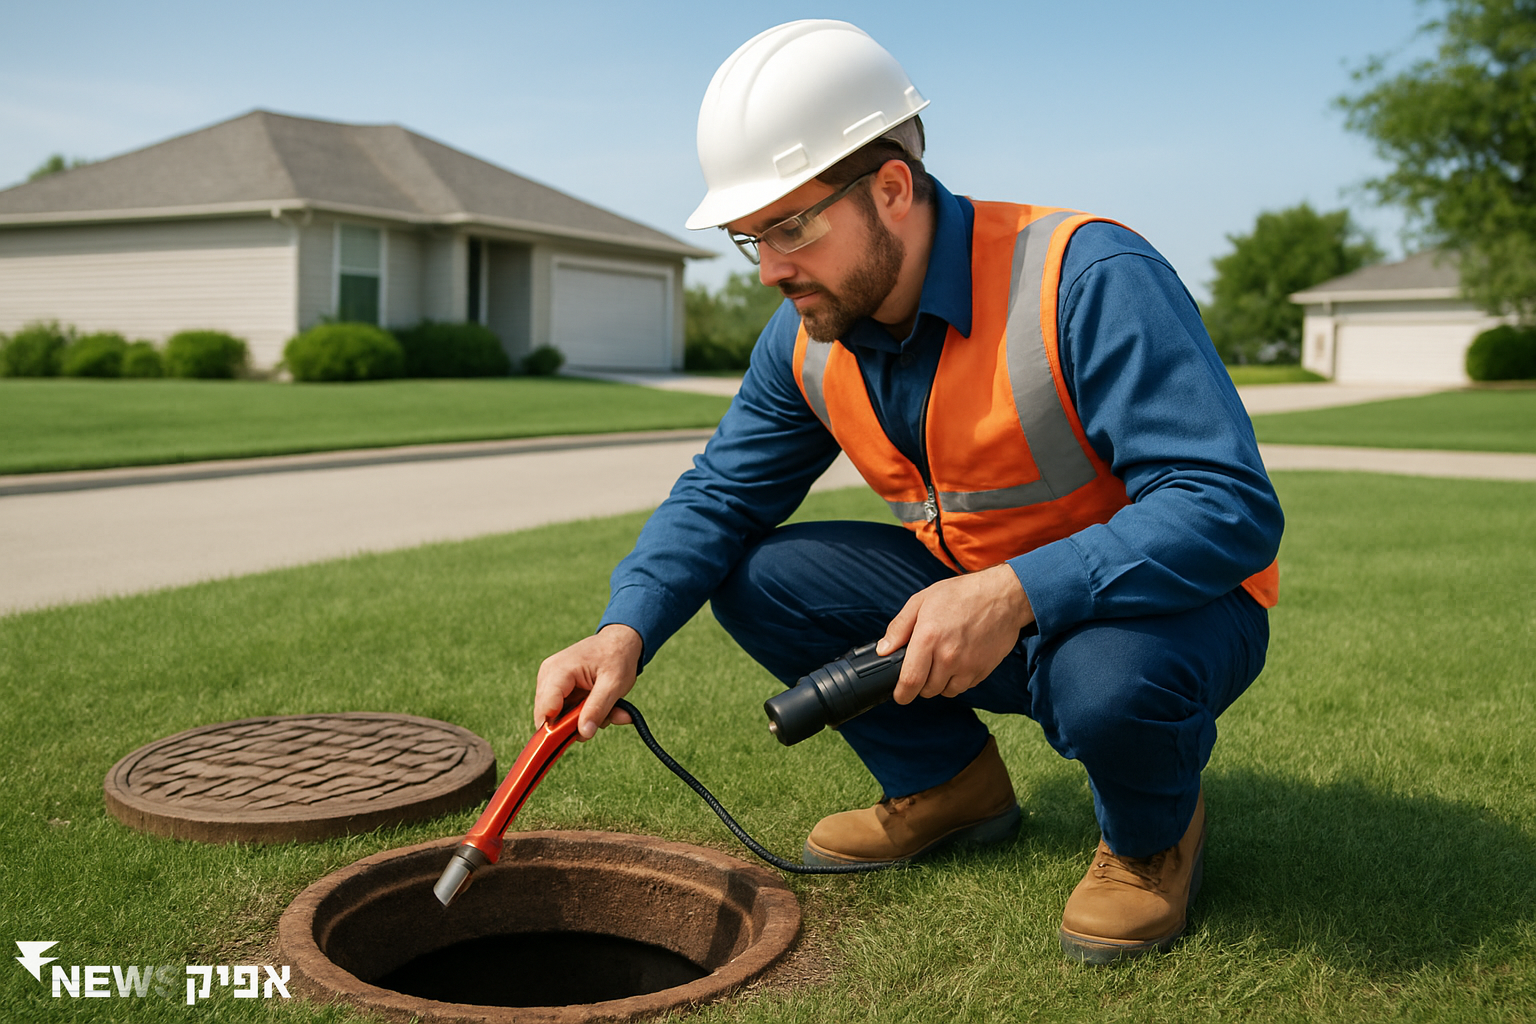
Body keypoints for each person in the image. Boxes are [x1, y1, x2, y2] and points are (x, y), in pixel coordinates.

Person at [534, 20, 1282, 963]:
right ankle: (950, 787)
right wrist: (623, 629)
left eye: (791, 227)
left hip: (1161, 610)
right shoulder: (805, 335)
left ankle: (1151, 842)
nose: (769, 269)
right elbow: (721, 494)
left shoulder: (1086, 277)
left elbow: (1227, 506)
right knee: (758, 576)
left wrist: (1013, 594)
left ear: (891, 188)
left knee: (1105, 685)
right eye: (749, 237)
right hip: (974, 603)